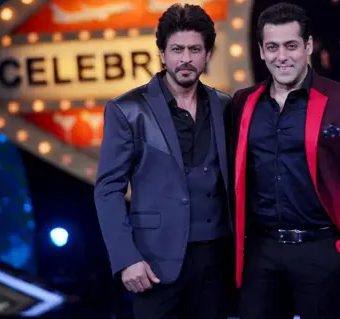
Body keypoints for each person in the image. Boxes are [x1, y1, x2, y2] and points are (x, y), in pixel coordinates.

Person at [230, 3, 340, 319]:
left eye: (291, 46)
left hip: (323, 249)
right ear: (261, 52)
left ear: (307, 45)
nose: (282, 56)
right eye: (273, 47)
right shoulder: (243, 102)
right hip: (261, 254)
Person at [94, 4, 233, 319]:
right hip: (155, 263)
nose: (186, 58)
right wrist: (125, 257)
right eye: (177, 49)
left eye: (195, 49)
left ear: (207, 55)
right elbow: (108, 189)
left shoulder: (225, 105)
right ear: (162, 54)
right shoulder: (127, 109)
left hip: (217, 261)